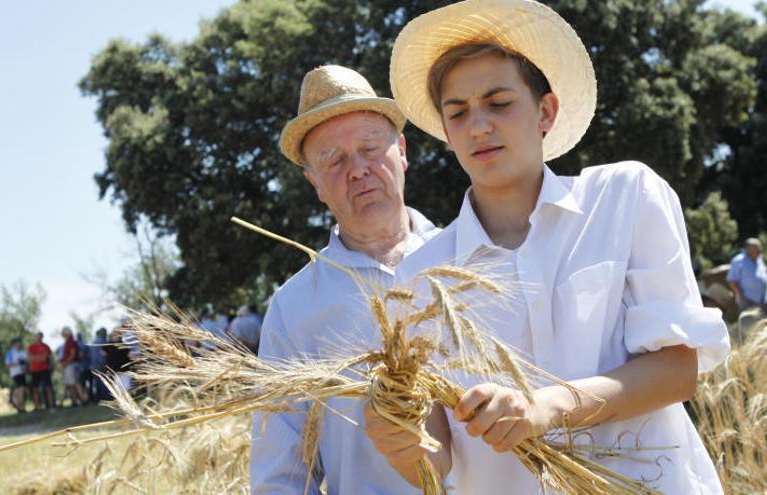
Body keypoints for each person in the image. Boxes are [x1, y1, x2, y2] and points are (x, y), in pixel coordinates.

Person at [380, 1, 731, 492]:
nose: (478, 126)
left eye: (499, 103)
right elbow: (434, 462)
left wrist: (546, 406)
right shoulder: (417, 279)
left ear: (545, 110)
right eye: (457, 113)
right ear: (444, 131)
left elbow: (677, 370)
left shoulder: (625, 197)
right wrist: (400, 442)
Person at [250, 64, 442, 494]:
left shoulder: (474, 258)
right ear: (314, 182)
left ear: (403, 151)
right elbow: (280, 476)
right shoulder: (293, 308)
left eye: (370, 148)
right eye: (333, 160)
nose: (357, 169)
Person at [726, 238, 767, 316]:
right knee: (749, 325)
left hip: (763, 300)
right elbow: (731, 280)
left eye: (759, 249)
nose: (759, 251)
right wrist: (741, 295)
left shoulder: (759, 259)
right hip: (747, 300)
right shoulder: (738, 260)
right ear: (748, 249)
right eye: (757, 249)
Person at [59, 327, 88, 406]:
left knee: (75, 383)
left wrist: (65, 363)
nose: (62, 335)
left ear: (67, 333)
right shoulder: (69, 342)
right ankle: (76, 401)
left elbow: (73, 354)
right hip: (71, 365)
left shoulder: (71, 342)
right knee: (72, 383)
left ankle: (82, 400)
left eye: (63, 333)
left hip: (71, 365)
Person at [27, 331, 55, 410]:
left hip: (45, 370)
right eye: (37, 336)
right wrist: (40, 358)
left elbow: (46, 357)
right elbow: (30, 358)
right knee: (35, 388)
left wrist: (36, 358)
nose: (38, 338)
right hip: (34, 370)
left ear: (42, 337)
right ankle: (37, 406)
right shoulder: (31, 347)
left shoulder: (46, 346)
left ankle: (51, 405)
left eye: (40, 336)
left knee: (48, 387)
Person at [4, 337, 28, 413]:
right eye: (17, 343)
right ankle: (19, 406)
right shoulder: (10, 353)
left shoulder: (22, 352)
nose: (19, 344)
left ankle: (20, 406)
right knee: (21, 389)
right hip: (16, 373)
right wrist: (17, 363)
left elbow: (26, 362)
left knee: (22, 390)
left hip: (23, 373)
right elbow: (7, 364)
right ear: (14, 344)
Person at [89, 327, 110, 402]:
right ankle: (107, 398)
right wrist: (104, 364)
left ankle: (98, 398)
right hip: (101, 364)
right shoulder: (103, 341)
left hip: (93, 365)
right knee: (104, 382)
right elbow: (101, 356)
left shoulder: (93, 342)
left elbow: (91, 355)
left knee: (97, 382)